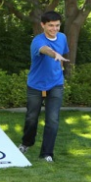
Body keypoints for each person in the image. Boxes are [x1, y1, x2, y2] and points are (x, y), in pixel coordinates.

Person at [18, 11, 69, 163]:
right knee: (32, 117)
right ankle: (26, 143)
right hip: (36, 85)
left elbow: (63, 52)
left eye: (57, 25)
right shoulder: (37, 41)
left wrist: (61, 70)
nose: (54, 29)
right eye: (51, 25)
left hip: (56, 84)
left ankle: (47, 153)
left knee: (52, 120)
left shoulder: (63, 37)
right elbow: (46, 50)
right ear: (43, 25)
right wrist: (55, 55)